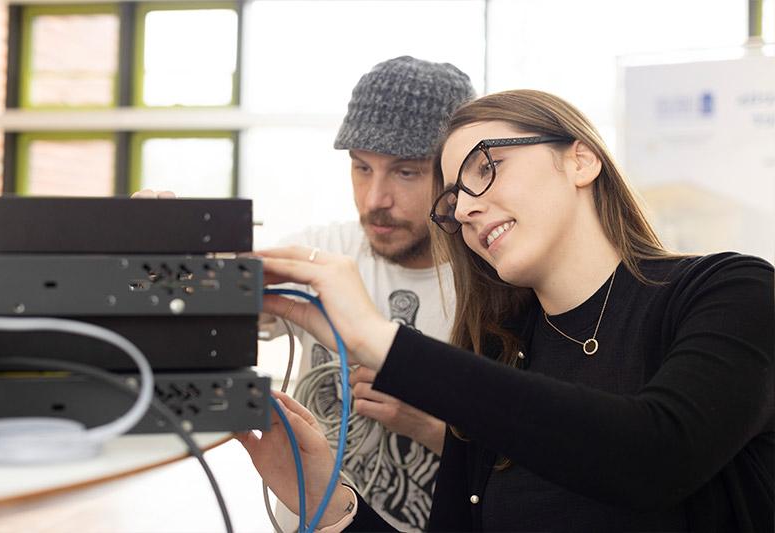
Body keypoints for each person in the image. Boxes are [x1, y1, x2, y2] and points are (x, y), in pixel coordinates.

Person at [240, 89, 774, 532]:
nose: (466, 208)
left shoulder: (732, 291)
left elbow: (656, 457)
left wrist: (379, 339)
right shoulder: (499, 356)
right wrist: (326, 500)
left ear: (581, 159)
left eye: (485, 167)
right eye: (451, 202)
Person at [259, 56, 476, 532]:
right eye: (361, 167)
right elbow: (205, 304)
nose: (375, 198)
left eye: (406, 173)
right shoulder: (324, 253)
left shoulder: (490, 293)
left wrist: (427, 423)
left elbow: (528, 468)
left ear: (457, 174)